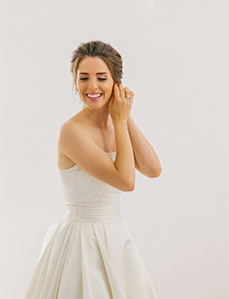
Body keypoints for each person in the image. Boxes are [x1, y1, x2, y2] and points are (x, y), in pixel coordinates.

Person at [24, 40, 162, 299]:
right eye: (83, 77)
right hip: (81, 242)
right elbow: (125, 181)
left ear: (116, 84)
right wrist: (119, 120)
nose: (92, 86)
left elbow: (152, 169)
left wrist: (124, 116)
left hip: (117, 237)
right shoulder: (71, 132)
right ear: (75, 83)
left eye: (101, 77)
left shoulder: (116, 125)